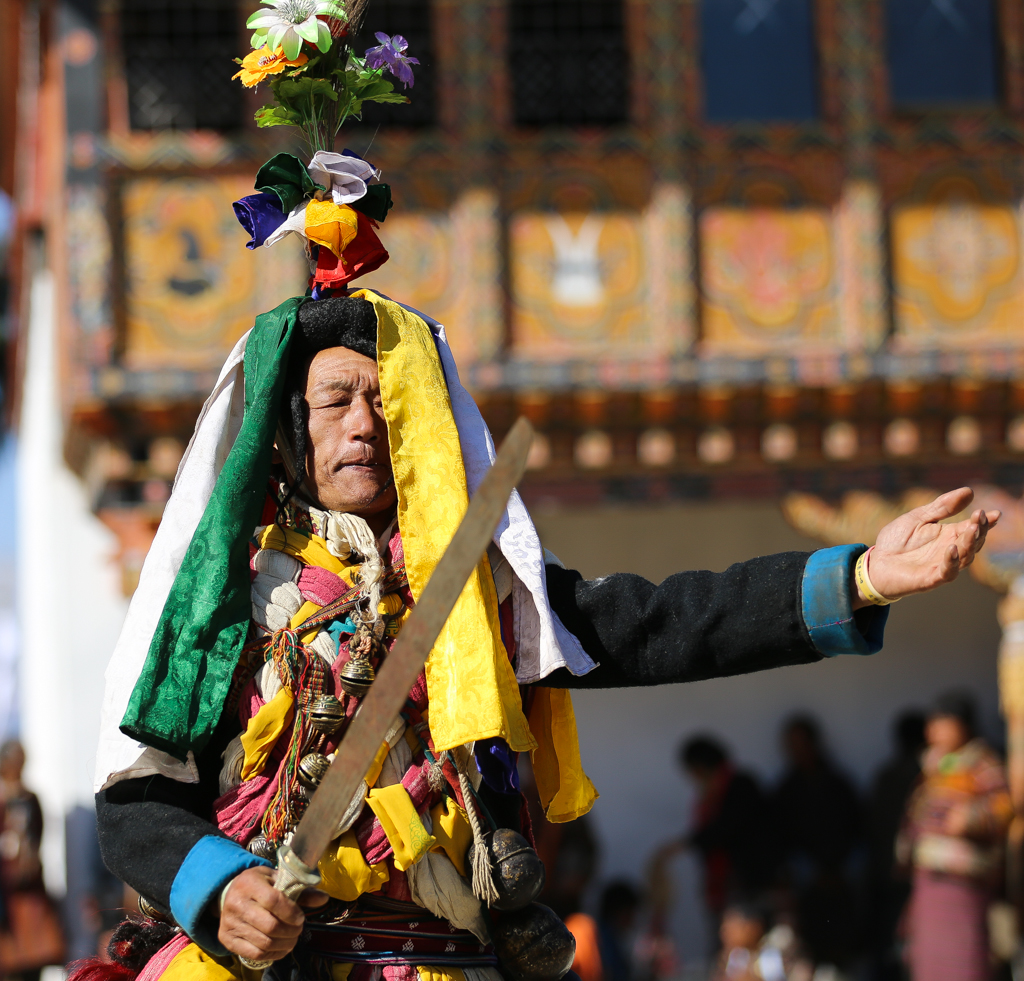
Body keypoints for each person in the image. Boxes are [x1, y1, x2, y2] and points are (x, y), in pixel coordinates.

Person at [84, 16, 1000, 981]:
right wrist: (221, 887)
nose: (362, 425)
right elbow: (135, 802)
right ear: (285, 433)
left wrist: (861, 573)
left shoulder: (481, 599)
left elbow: (658, 625)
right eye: (334, 402)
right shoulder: (220, 603)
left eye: (383, 401)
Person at [900, 691, 1012, 981]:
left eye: (941, 722)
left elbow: (1004, 806)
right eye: (931, 724)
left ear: (963, 725)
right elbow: (915, 814)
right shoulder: (933, 767)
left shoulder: (982, 763)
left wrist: (971, 818)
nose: (932, 730)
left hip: (964, 887)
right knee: (929, 961)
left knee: (964, 961)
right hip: (930, 885)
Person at [773, 716, 862, 969]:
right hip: (805, 882)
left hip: (842, 879)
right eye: (791, 745)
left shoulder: (838, 784)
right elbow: (782, 838)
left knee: (844, 949)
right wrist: (810, 871)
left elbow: (855, 827)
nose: (796, 751)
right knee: (807, 952)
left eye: (801, 743)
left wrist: (839, 870)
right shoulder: (786, 790)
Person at [658, 736, 774, 920]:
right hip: (724, 887)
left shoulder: (740, 787)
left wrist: (683, 844)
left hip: (751, 883)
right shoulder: (710, 796)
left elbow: (724, 829)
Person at [865, 710, 926, 981]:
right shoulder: (927, 779)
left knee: (894, 954)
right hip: (913, 881)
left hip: (888, 880)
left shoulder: (886, 777)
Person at [0, 740, 64, 980]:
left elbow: (38, 839)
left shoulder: (30, 799)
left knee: (34, 963)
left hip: (31, 894)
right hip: (7, 900)